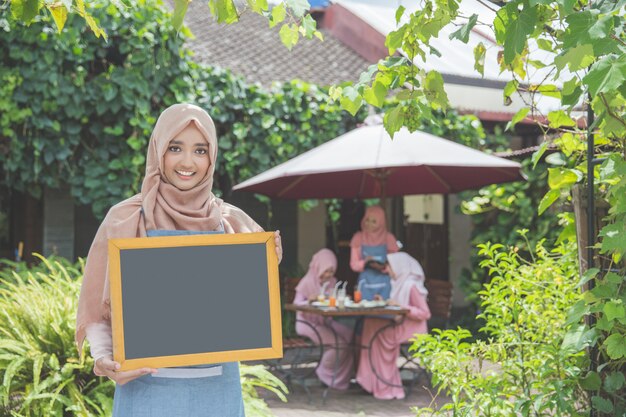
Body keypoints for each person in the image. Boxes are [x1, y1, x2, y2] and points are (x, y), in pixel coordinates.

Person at [75, 103, 283, 416]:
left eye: (200, 150)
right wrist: (105, 359)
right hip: (145, 395)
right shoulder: (125, 218)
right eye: (176, 147)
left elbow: (245, 311)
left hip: (217, 396)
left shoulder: (233, 223)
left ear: (212, 157)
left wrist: (267, 264)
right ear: (159, 150)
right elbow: (97, 309)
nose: (188, 162)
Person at [356, 252, 431, 400]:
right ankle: (372, 381)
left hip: (412, 329)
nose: (387, 271)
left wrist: (403, 307)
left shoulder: (411, 286)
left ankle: (386, 385)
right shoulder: (400, 284)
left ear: (399, 267)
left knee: (376, 332)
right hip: (403, 324)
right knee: (370, 323)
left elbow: (425, 313)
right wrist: (385, 301)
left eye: (389, 267)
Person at [292, 249, 354, 389]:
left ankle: (342, 376)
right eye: (326, 271)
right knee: (340, 345)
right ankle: (323, 372)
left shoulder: (332, 282)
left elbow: (331, 301)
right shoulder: (307, 281)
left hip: (325, 321)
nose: (328, 275)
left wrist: (341, 299)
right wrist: (310, 300)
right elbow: (296, 304)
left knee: (351, 336)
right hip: (307, 323)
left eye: (331, 271)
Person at [350, 205, 399, 301]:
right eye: (367, 220)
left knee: (385, 312)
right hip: (365, 282)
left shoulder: (389, 239)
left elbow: (396, 264)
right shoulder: (358, 238)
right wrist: (365, 262)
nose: (369, 224)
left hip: (385, 283)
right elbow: (353, 264)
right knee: (365, 311)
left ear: (381, 222)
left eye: (374, 221)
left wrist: (384, 267)